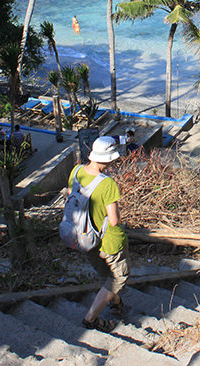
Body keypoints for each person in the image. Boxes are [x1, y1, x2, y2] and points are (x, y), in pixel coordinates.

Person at [66, 136, 129, 332]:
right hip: (107, 240)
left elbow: (70, 197)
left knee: (105, 274)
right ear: (109, 158)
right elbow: (114, 220)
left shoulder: (76, 172)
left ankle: (116, 303)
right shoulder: (107, 183)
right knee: (118, 276)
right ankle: (91, 318)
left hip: (82, 236)